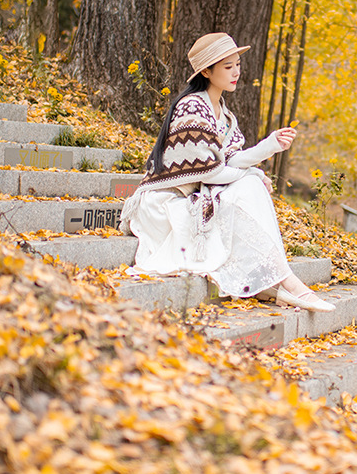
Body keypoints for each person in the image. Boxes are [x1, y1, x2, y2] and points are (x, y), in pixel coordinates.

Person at [120, 32, 335, 312]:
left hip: (193, 198)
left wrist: (270, 145)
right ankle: (289, 283)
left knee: (248, 186)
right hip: (165, 204)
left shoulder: (222, 112)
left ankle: (280, 281)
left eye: (237, 65)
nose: (236, 72)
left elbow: (232, 159)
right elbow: (210, 172)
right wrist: (252, 174)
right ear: (207, 71)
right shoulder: (192, 107)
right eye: (227, 66)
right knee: (247, 186)